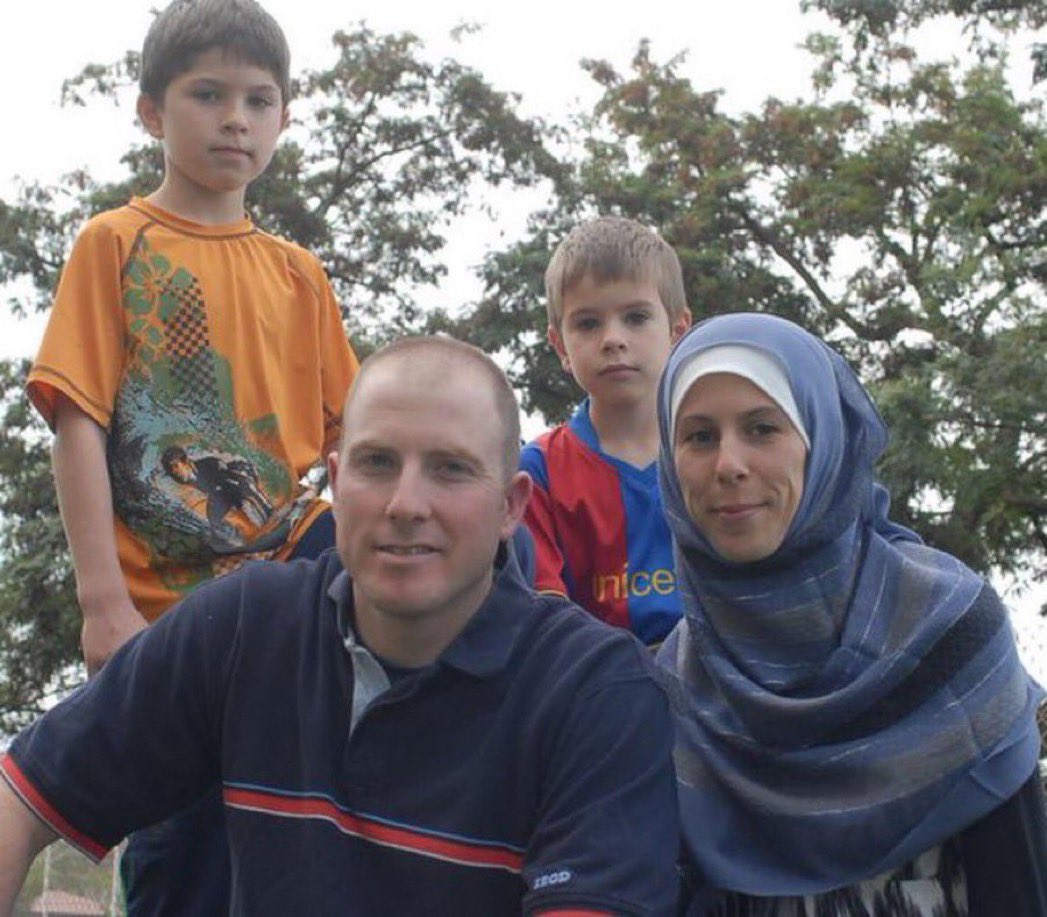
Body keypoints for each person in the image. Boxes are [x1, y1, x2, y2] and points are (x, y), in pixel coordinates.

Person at [0, 335, 681, 917]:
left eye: (449, 469)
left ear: (510, 506)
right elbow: (22, 793)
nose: (405, 503)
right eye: (377, 462)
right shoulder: (244, 625)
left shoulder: (598, 693)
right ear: (333, 481)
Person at [24, 0, 359, 912]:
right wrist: (102, 603)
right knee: (185, 844)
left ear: (284, 119)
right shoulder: (115, 245)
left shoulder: (299, 274)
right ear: (150, 113)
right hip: (170, 611)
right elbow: (78, 420)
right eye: (207, 95)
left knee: (304, 820)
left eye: (258, 99)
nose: (235, 119)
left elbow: (353, 440)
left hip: (291, 580)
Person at [655, 312, 1047, 916]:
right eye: (699, 436)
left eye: (762, 428)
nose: (728, 464)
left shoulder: (949, 629)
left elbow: (1018, 884)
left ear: (825, 441)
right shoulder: (678, 683)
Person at [521, 216, 691, 646]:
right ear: (560, 345)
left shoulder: (717, 454)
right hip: (595, 688)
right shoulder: (537, 472)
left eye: (636, 317)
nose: (613, 339)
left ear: (677, 331)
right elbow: (542, 623)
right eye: (588, 324)